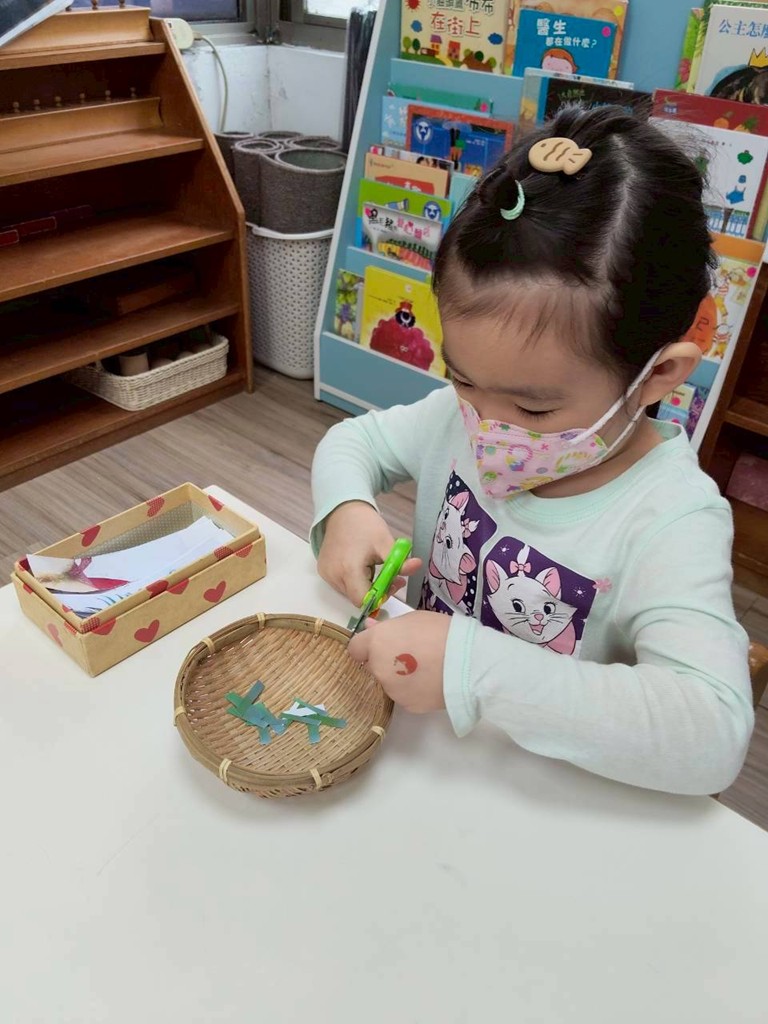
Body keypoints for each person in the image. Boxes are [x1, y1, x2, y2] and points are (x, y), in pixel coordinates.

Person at [310, 106, 754, 796]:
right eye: (461, 378)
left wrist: (474, 670)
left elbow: (712, 735)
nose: (486, 425)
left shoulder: (670, 517)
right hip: (415, 759)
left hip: (539, 794)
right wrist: (346, 510)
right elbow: (354, 441)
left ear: (658, 375)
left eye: (535, 409)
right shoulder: (458, 417)